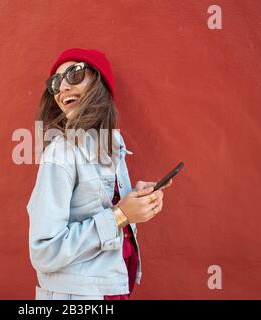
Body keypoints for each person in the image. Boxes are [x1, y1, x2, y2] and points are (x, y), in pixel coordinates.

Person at [26, 48, 172, 300]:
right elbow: (44, 251)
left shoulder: (113, 145)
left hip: (112, 287)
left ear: (99, 82)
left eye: (74, 74)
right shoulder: (61, 152)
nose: (62, 89)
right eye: (55, 83)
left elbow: (104, 209)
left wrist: (136, 200)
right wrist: (121, 215)